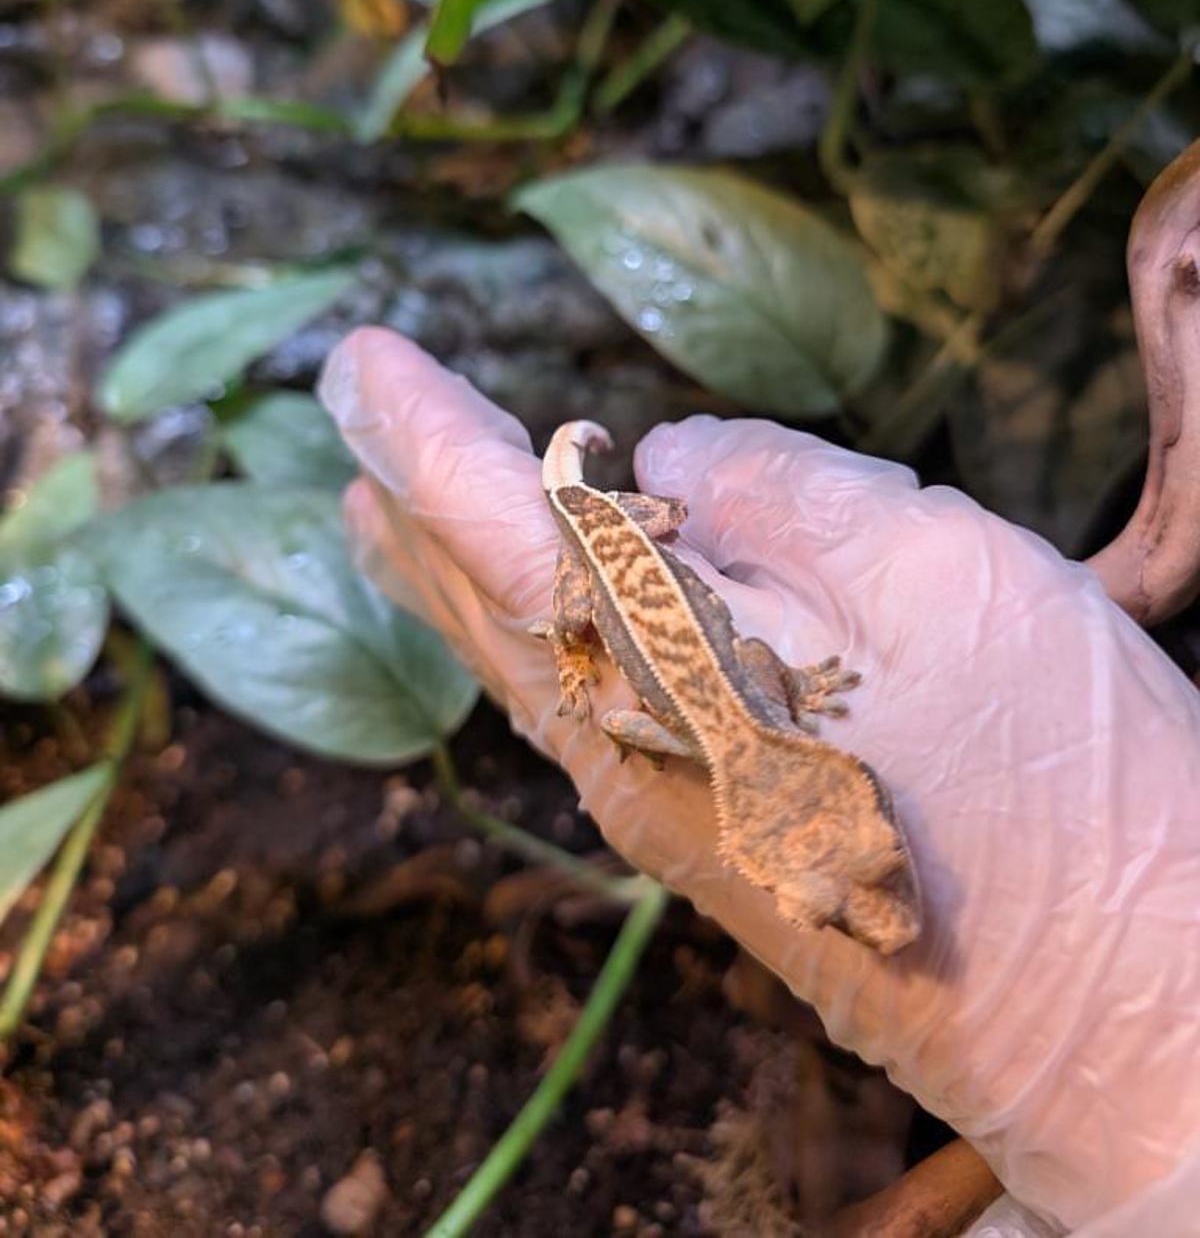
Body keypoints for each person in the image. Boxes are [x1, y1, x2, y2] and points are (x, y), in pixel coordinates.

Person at [318, 326, 1200, 1237]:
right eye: (848, 902)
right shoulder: (728, 728)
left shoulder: (722, 738)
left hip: (656, 595)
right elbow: (681, 688)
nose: (892, 915)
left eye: (872, 872)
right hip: (609, 564)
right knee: (554, 594)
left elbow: (682, 692)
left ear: (849, 781)